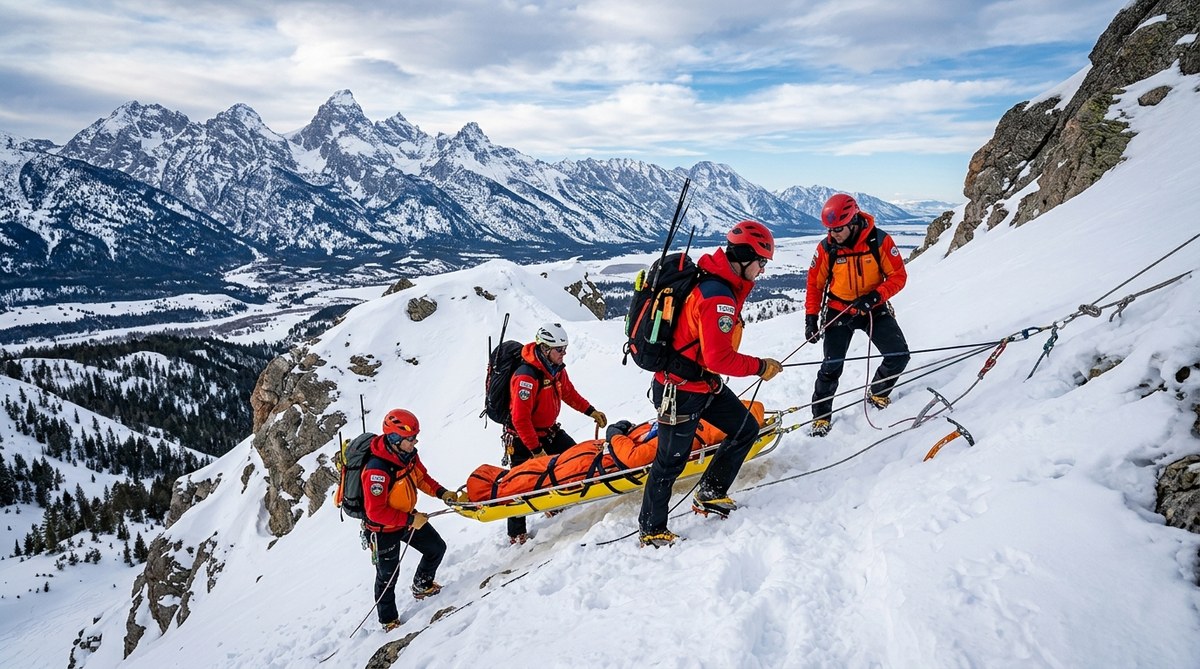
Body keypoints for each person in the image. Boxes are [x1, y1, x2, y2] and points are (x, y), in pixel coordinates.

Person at [637, 221, 783, 548]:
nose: (762, 270)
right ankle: (651, 529)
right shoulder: (717, 297)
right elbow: (720, 358)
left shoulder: (716, 283)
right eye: (761, 262)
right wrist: (760, 367)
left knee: (745, 428)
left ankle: (711, 492)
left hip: (701, 384)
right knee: (670, 462)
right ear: (744, 257)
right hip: (680, 391)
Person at [804, 194, 911, 437]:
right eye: (830, 229)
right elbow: (815, 284)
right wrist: (811, 318)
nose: (833, 234)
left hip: (873, 307)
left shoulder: (879, 241)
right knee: (831, 366)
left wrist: (875, 297)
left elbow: (898, 276)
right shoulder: (826, 247)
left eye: (838, 229)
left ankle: (878, 393)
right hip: (839, 309)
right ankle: (821, 418)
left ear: (853, 221)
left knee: (899, 355)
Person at [505, 322, 607, 545]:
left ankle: (555, 504)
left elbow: (568, 393)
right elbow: (520, 419)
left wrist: (591, 411)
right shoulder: (526, 377)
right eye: (559, 349)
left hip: (548, 431)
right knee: (520, 484)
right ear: (544, 349)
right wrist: (536, 450)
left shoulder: (555, 369)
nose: (564, 353)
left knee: (575, 457)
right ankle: (516, 534)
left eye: (565, 348)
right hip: (523, 438)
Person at [361, 408, 461, 631]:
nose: (415, 442)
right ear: (394, 439)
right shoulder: (377, 470)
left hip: (407, 518)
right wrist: (409, 520)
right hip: (383, 529)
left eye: (415, 437)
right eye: (410, 438)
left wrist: (442, 492)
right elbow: (375, 511)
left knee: (436, 548)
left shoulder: (409, 455)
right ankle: (388, 621)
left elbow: (421, 478)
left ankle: (422, 585)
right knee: (388, 577)